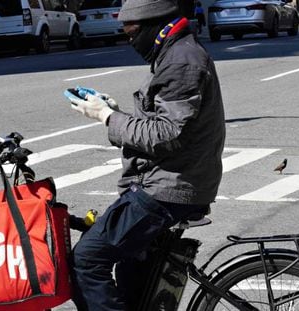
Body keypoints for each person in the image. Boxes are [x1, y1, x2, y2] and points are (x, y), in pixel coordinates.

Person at [68, 0, 225, 309]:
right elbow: (162, 125)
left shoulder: (181, 60)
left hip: (168, 187)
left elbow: (166, 136)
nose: (129, 39)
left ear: (156, 25)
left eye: (131, 32)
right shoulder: (176, 53)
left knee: (86, 261)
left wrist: (107, 118)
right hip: (169, 180)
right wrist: (115, 112)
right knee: (134, 281)